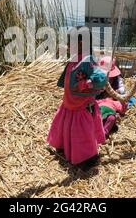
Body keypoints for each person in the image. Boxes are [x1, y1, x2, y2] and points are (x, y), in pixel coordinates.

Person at [47, 27, 106, 168]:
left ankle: (86, 158)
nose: (68, 45)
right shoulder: (75, 58)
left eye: (70, 41)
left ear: (80, 44)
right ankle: (64, 147)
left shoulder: (88, 59)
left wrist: (87, 83)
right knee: (67, 124)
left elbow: (101, 77)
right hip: (69, 103)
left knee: (81, 133)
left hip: (81, 105)